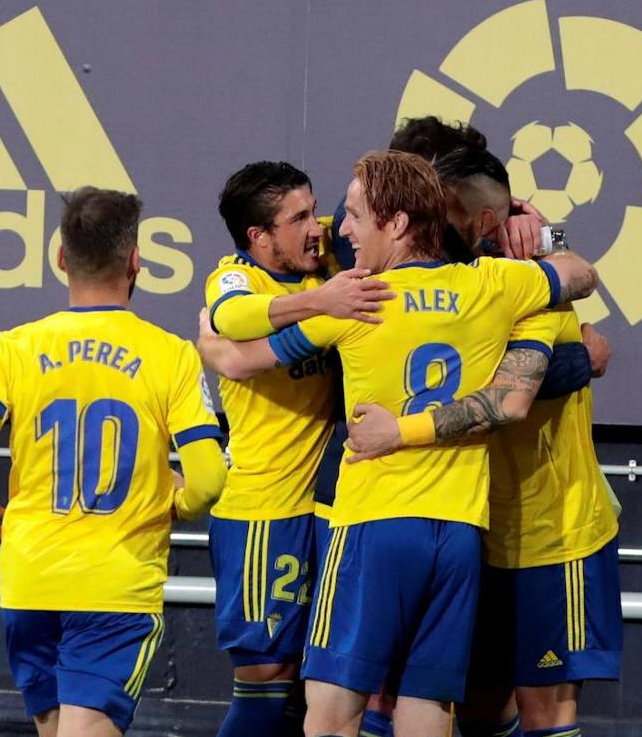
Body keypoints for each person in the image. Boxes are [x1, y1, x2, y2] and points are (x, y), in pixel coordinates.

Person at [199, 150, 599, 736]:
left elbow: (241, 352)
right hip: (461, 533)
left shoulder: (360, 300)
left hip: (372, 525)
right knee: (426, 709)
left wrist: (211, 345)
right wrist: (533, 224)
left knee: (332, 715)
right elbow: (581, 273)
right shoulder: (494, 284)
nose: (343, 229)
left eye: (356, 214)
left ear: (397, 223)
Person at [347, 145, 623, 737]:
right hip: (466, 531)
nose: (429, 227)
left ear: (482, 223)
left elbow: (540, 378)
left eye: (442, 214)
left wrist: (541, 228)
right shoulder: (399, 287)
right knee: (466, 705)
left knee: (545, 710)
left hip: (549, 533)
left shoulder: (518, 286)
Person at [0, 187, 228, 737]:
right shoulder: (170, 354)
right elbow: (210, 478)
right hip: (115, 588)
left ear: (60, 258)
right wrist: (178, 502)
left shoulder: (12, 349)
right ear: (136, 259)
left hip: (29, 581)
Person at [202, 160, 392, 736]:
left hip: (332, 508)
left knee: (342, 683)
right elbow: (228, 317)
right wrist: (322, 303)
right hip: (264, 510)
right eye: (299, 217)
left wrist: (519, 217)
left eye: (316, 210)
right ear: (259, 236)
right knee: (267, 680)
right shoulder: (236, 277)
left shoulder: (327, 256)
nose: (318, 226)